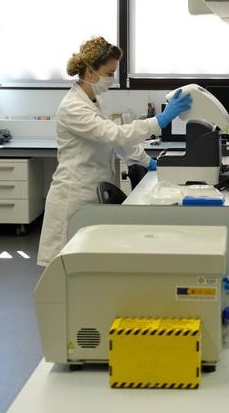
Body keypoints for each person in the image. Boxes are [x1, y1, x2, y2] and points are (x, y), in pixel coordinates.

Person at [38, 37, 191, 266]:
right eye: (109, 72)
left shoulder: (94, 101)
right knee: (63, 271)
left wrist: (147, 161)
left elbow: (117, 142)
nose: (112, 78)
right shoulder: (74, 107)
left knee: (84, 268)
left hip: (91, 192)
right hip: (73, 196)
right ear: (90, 72)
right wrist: (159, 121)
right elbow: (116, 135)